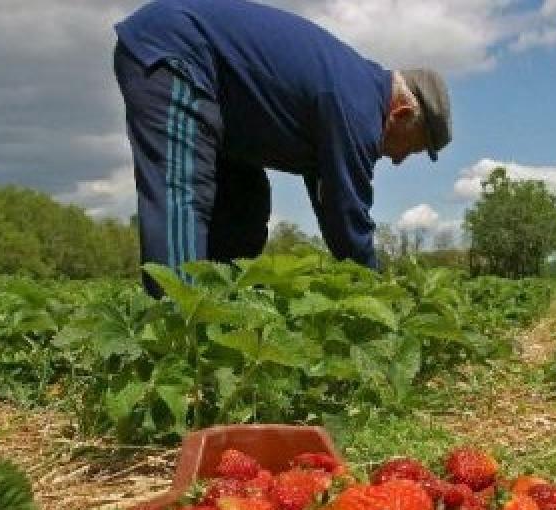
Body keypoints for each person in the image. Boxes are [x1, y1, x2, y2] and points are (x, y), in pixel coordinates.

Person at [113, 0, 452, 296]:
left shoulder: (355, 96)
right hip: (177, 50)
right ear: (402, 114)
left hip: (226, 103)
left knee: (247, 204)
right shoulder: (360, 108)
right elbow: (347, 215)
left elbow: (330, 204)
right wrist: (378, 295)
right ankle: (178, 332)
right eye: (411, 148)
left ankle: (219, 315)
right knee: (183, 191)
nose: (397, 160)